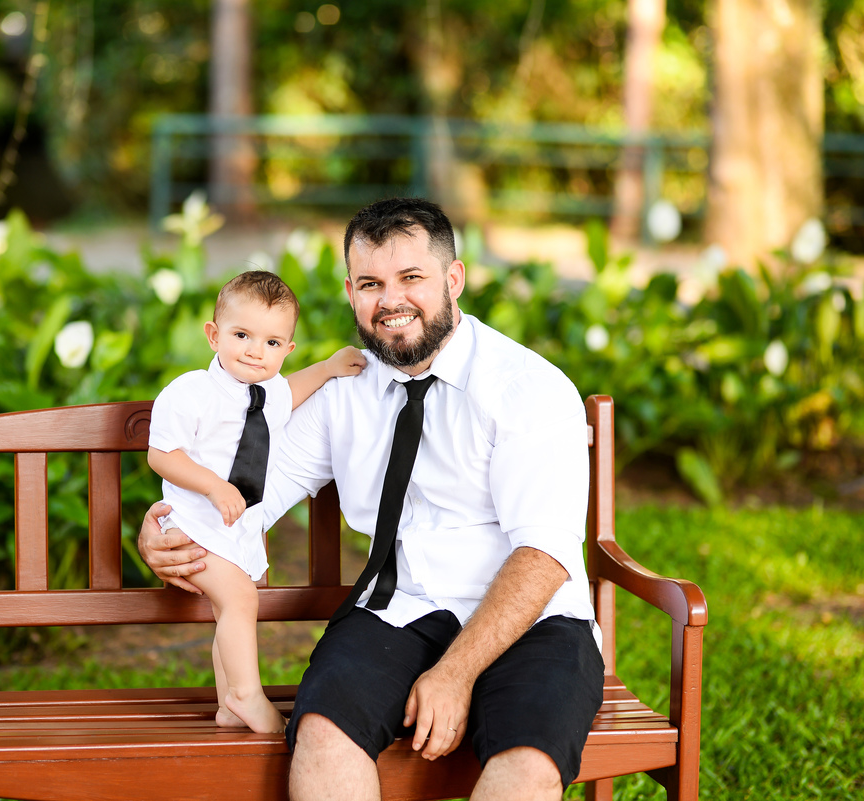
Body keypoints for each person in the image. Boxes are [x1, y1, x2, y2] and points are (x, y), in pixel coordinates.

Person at [139, 198, 606, 801]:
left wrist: (454, 674)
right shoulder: (345, 391)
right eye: (370, 283)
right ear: (350, 291)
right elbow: (252, 495)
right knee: (323, 734)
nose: (391, 301)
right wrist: (176, 533)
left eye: (411, 278)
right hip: (398, 608)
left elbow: (544, 556)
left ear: (453, 279)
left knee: (525, 766)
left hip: (534, 622)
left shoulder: (526, 389)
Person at [147, 269, 365, 734]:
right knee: (242, 599)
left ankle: (228, 704)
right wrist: (213, 485)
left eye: (271, 343)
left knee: (231, 608)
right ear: (213, 335)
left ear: (286, 350)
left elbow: (294, 389)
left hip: (232, 533)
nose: (253, 350)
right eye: (241, 335)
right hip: (191, 526)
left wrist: (327, 368)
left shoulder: (268, 393)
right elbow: (161, 455)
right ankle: (247, 693)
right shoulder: (192, 392)